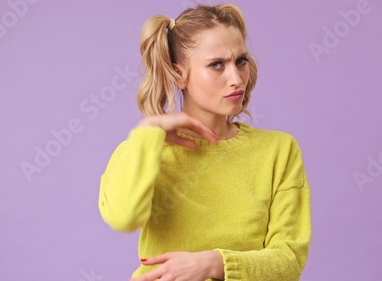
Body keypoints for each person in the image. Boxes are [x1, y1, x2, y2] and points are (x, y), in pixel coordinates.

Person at [98, 3, 312, 281]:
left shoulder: (278, 151)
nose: (236, 79)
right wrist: (148, 133)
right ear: (178, 74)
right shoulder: (144, 151)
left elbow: (288, 262)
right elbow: (122, 217)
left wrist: (214, 264)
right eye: (216, 65)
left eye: (241, 61)